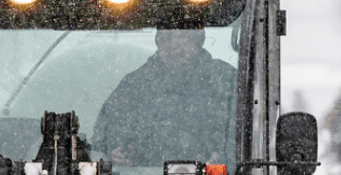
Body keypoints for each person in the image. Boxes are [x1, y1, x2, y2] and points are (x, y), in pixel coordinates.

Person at [92, 28, 236, 166]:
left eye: (183, 36)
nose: (174, 45)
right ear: (158, 41)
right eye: (166, 37)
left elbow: (247, 136)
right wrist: (114, 156)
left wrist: (224, 159)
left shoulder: (226, 81)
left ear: (198, 41)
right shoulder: (134, 85)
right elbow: (102, 141)